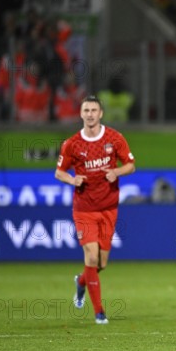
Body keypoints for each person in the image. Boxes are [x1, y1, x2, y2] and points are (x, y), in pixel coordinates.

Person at [55, 95, 136, 324]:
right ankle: (99, 312)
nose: (90, 114)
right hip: (84, 209)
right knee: (91, 256)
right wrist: (72, 180)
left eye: (94, 110)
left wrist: (116, 172)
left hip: (109, 208)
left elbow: (130, 165)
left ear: (100, 113)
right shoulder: (71, 143)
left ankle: (81, 282)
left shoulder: (114, 138)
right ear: (81, 114)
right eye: (86, 110)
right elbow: (59, 172)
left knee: (100, 264)